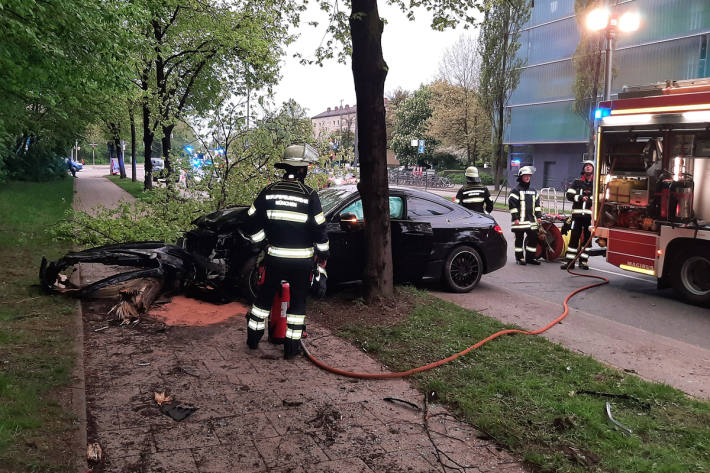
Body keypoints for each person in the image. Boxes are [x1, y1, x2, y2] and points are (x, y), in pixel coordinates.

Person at [244, 143, 329, 359]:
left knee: (263, 300)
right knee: (298, 302)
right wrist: (323, 254)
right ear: (302, 170)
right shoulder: (310, 195)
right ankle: (291, 348)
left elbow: (251, 220)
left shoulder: (269, 191)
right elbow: (320, 228)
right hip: (301, 262)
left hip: (274, 258)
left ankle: (253, 340)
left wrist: (261, 243)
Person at [562, 160, 594, 270]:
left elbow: (601, 197)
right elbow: (569, 195)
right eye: (586, 166)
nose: (588, 167)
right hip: (577, 217)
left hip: (589, 218)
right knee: (574, 238)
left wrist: (590, 199)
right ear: (583, 169)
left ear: (593, 169)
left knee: (587, 240)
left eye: (590, 166)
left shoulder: (596, 184)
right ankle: (569, 262)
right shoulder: (577, 182)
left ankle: (583, 261)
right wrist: (580, 198)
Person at [508, 166, 542, 265]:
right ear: (520, 177)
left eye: (529, 176)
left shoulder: (533, 191)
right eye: (525, 176)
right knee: (519, 239)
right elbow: (512, 205)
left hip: (531, 220)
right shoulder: (515, 190)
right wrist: (515, 218)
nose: (527, 177)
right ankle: (519, 258)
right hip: (520, 221)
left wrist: (539, 216)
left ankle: (530, 258)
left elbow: (537, 206)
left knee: (533, 238)